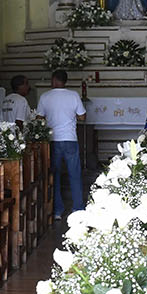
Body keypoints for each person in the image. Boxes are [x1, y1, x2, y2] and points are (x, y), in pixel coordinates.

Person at [37, 69, 86, 220]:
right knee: (75, 174)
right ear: (65, 81)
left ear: (53, 80)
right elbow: (82, 117)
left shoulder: (45, 96)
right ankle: (78, 208)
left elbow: (39, 118)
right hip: (70, 139)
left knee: (55, 175)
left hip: (52, 140)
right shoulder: (73, 95)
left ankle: (57, 210)